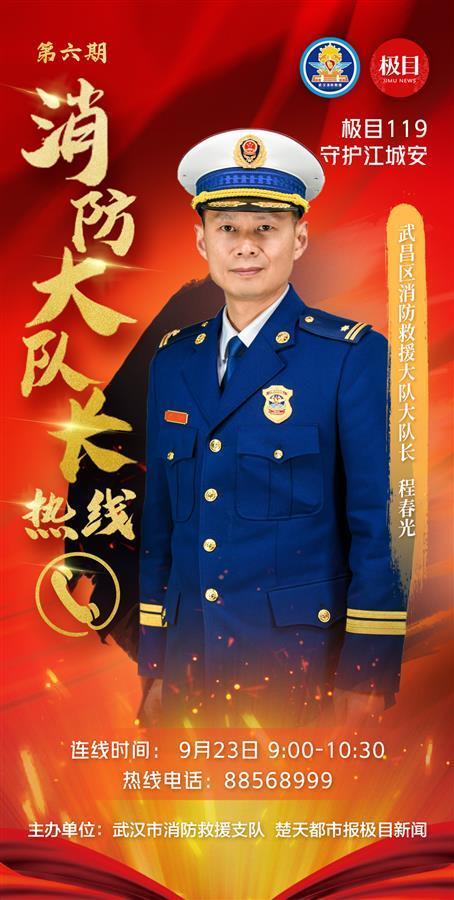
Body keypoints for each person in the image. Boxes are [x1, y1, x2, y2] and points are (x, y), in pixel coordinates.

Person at [138, 129, 407, 727]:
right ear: (202, 240)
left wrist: (365, 675)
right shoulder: (173, 360)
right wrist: (153, 663)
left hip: (301, 673)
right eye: (227, 228)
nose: (246, 246)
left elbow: (378, 526)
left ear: (299, 238)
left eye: (266, 227)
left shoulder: (349, 356)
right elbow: (159, 524)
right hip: (187, 666)